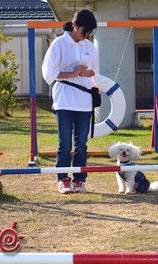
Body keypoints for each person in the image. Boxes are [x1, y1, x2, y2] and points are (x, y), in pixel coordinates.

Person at [42, 9, 98, 194]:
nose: (87, 35)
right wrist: (72, 73)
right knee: (64, 143)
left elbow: (95, 71)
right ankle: (63, 179)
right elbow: (49, 73)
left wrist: (84, 72)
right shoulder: (59, 44)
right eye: (85, 31)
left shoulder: (89, 47)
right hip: (64, 99)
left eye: (90, 32)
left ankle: (80, 179)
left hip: (84, 100)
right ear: (75, 26)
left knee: (81, 143)